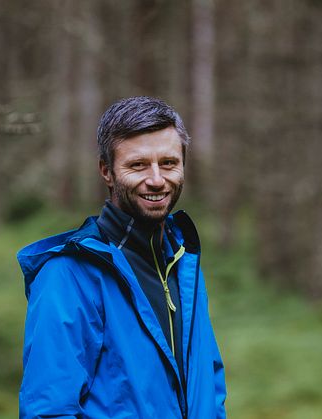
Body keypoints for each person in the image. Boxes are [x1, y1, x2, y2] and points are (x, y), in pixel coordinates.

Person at [17, 96, 227, 418]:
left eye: (169, 163)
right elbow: (48, 410)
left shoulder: (183, 262)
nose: (157, 179)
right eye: (138, 165)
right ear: (107, 171)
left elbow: (210, 388)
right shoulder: (68, 275)